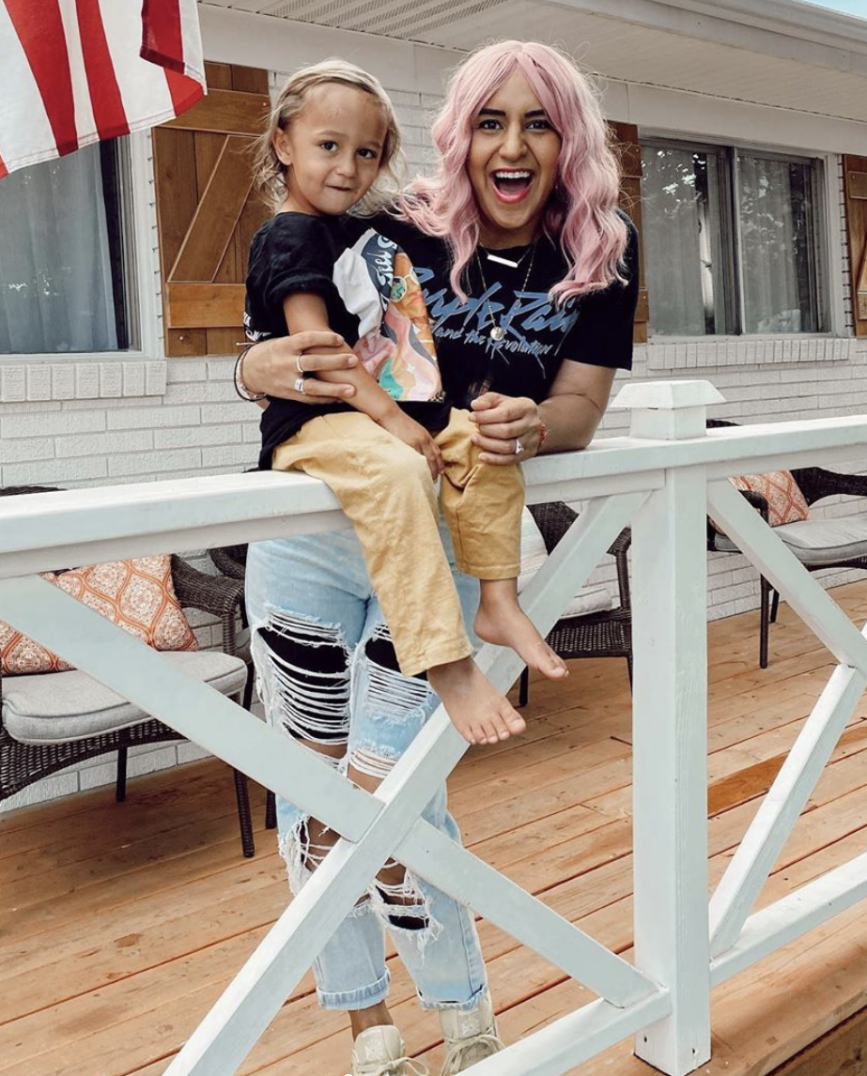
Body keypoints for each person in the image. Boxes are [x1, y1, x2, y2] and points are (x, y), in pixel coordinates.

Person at [237, 40, 639, 1076]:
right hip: (313, 536)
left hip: (446, 535)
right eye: (492, 121)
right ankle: (365, 1024)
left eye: (539, 122)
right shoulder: (394, 222)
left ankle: (462, 1013)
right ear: (461, 134)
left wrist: (533, 427)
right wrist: (252, 365)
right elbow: (290, 310)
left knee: (394, 788)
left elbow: (581, 405)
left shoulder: (597, 252)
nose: (513, 145)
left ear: (568, 139)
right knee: (307, 781)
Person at [245, 59, 566, 750]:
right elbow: (320, 354)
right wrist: (392, 421)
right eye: (329, 146)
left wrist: (423, 418)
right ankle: (447, 664)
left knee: (482, 444)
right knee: (397, 474)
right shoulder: (289, 235)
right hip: (321, 422)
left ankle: (499, 603)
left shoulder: (364, 230)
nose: (348, 167)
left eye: (367, 152)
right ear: (282, 143)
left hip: (390, 417)